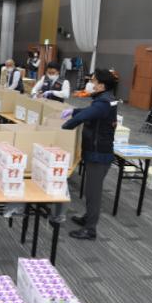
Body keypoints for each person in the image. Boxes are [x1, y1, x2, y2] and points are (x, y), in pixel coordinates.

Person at [61, 69, 119, 240]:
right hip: (98, 150)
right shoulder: (105, 99)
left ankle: (90, 229)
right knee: (90, 189)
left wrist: (64, 128)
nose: (90, 84)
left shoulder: (103, 103)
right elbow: (89, 111)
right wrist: (73, 111)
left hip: (98, 153)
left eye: (93, 81)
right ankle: (88, 217)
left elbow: (86, 115)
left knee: (93, 192)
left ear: (102, 85)